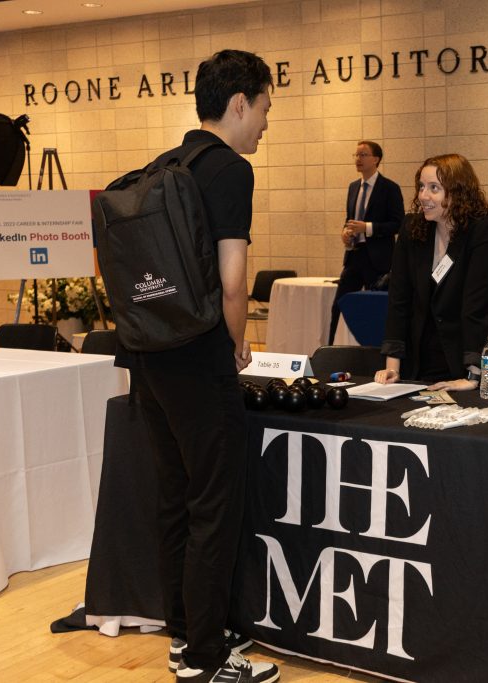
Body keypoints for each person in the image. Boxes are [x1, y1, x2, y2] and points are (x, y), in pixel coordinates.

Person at [114, 50, 279, 683]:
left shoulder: (163, 165)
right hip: (199, 362)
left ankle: (187, 637)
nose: (265, 123)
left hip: (149, 359)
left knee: (177, 502)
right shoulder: (229, 171)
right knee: (215, 506)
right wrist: (234, 351)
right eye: (264, 109)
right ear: (239, 103)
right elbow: (233, 283)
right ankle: (208, 659)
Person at [374, 153, 488, 391]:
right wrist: (393, 367)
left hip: (467, 359)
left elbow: (476, 308)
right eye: (421, 187)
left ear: (457, 192)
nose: (423, 196)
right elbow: (399, 300)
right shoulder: (412, 229)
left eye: (434, 188)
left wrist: (473, 377)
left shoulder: (483, 232)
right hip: (419, 362)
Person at [327, 140, 405, 344]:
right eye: (356, 155)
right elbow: (350, 219)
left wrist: (367, 228)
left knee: (378, 309)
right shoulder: (353, 187)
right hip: (354, 256)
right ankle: (329, 349)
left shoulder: (389, 188)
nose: (358, 159)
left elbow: (398, 224)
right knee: (339, 305)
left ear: (376, 159)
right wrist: (346, 232)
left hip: (378, 260)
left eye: (363, 155)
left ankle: (380, 351)